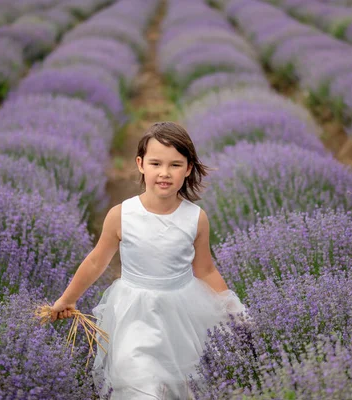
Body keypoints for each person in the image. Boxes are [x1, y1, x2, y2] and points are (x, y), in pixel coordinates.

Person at [50, 121, 248, 399]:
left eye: (175, 165)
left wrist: (232, 308)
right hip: (134, 314)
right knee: (139, 384)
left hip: (181, 315)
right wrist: (67, 299)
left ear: (188, 169)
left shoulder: (196, 218)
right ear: (141, 164)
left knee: (180, 386)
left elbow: (205, 269)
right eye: (156, 163)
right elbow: (96, 261)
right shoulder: (121, 214)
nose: (164, 173)